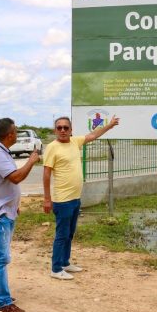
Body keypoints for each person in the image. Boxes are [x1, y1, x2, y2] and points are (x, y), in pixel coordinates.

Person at [43, 115, 119, 280]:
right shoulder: (52, 147)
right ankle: (56, 269)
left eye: (66, 128)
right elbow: (46, 174)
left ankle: (65, 262)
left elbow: (93, 135)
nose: (62, 130)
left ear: (71, 130)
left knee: (70, 233)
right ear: (55, 130)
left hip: (75, 198)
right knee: (61, 235)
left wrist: (110, 126)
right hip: (62, 200)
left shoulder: (74, 142)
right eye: (59, 128)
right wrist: (47, 199)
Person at [0, 118, 39, 312]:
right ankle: (3, 302)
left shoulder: (1, 151)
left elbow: (7, 183)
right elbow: (15, 177)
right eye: (15, 131)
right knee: (1, 257)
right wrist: (31, 161)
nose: (17, 134)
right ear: (9, 134)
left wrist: (14, 204)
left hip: (5, 210)